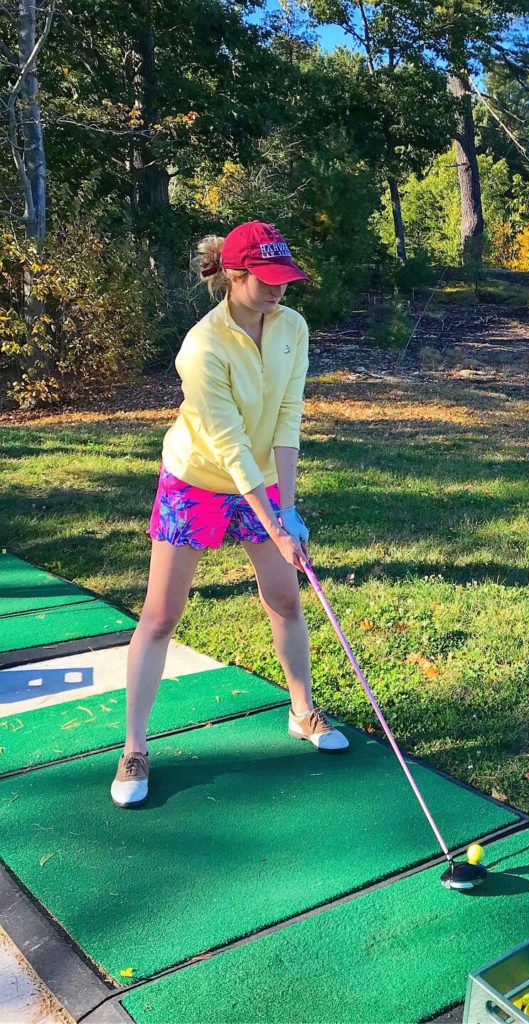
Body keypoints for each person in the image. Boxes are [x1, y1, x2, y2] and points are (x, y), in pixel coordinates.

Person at [111, 221, 347, 809]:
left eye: (285, 280)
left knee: (286, 598)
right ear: (234, 277)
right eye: (267, 282)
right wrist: (275, 522)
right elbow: (231, 446)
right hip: (197, 479)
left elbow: (288, 414)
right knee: (162, 614)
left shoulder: (293, 327)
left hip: (262, 481)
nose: (279, 292)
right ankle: (135, 748)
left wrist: (287, 510)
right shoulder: (202, 347)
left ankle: (302, 712)